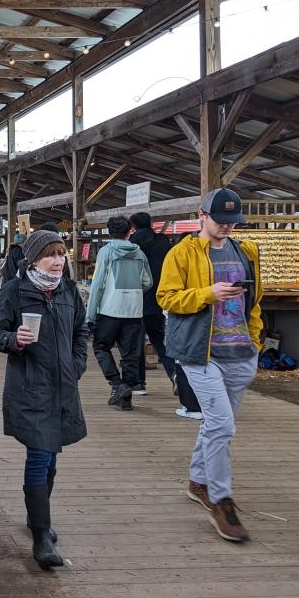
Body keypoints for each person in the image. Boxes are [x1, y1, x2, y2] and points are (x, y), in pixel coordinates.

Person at [157, 188, 262, 543]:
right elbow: (167, 299)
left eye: (233, 222)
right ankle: (221, 500)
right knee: (222, 426)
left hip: (241, 352)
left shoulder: (246, 250)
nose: (227, 227)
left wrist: (255, 343)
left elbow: (254, 303)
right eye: (220, 220)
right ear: (201, 215)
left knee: (219, 425)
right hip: (199, 352)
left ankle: (198, 481)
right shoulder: (181, 253)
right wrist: (207, 294)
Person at [0, 228, 88, 570]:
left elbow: (81, 331)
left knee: (51, 455)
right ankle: (42, 534)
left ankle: (36, 517)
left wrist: (77, 364)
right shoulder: (15, 291)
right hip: (29, 385)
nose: (59, 261)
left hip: (63, 385)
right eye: (51, 254)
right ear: (33, 259)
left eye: (62, 254)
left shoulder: (69, 290)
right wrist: (14, 338)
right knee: (40, 452)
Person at [130, 212, 202, 419]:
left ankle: (138, 384)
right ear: (151, 224)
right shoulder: (164, 243)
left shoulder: (133, 245)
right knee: (161, 340)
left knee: (135, 341)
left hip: (136, 299)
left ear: (133, 226)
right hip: (159, 298)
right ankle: (174, 374)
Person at [86, 216, 152, 411]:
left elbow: (97, 285)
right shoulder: (139, 253)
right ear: (129, 231)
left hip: (109, 310)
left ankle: (117, 383)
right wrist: (133, 292)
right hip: (134, 311)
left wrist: (90, 315)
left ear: (109, 232)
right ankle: (126, 399)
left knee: (100, 346)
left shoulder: (106, 252)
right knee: (131, 354)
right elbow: (148, 282)